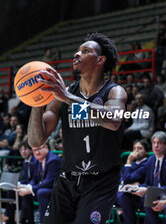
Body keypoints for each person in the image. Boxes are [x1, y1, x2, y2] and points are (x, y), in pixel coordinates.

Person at [27, 32, 127, 224]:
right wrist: (35, 100)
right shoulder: (66, 94)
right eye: (77, 50)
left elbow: (114, 121)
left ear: (100, 60)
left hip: (101, 181)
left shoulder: (114, 91)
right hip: (67, 179)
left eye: (85, 50)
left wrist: (67, 98)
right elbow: (36, 140)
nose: (76, 54)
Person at [121, 131, 166, 224]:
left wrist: (148, 190)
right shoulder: (151, 160)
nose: (156, 146)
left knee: (148, 198)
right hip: (151, 194)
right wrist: (136, 188)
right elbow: (147, 183)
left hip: (164, 195)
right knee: (126, 197)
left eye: (159, 143)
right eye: (154, 143)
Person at [16, 143, 61, 224]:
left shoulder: (53, 160)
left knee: (41, 192)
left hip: (57, 189)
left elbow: (49, 182)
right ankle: (29, 221)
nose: (36, 153)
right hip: (46, 187)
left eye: (39, 149)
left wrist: (30, 189)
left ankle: (44, 221)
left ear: (46, 147)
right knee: (26, 193)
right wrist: (29, 187)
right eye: (34, 150)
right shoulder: (39, 160)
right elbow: (35, 178)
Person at [5, 140, 37, 224]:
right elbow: (26, 179)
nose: (23, 152)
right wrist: (18, 184)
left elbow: (36, 178)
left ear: (31, 150)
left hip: (35, 187)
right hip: (28, 185)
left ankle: (28, 220)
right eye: (21, 150)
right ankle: (11, 218)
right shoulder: (24, 162)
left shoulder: (36, 161)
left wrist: (26, 186)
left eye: (25, 149)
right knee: (11, 191)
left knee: (25, 194)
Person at [117, 139, 149, 206]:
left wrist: (128, 161)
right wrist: (124, 183)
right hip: (125, 190)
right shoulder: (133, 163)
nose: (136, 150)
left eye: (139, 148)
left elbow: (127, 179)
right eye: (134, 148)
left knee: (122, 197)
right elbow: (122, 178)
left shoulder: (146, 164)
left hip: (138, 194)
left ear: (146, 152)